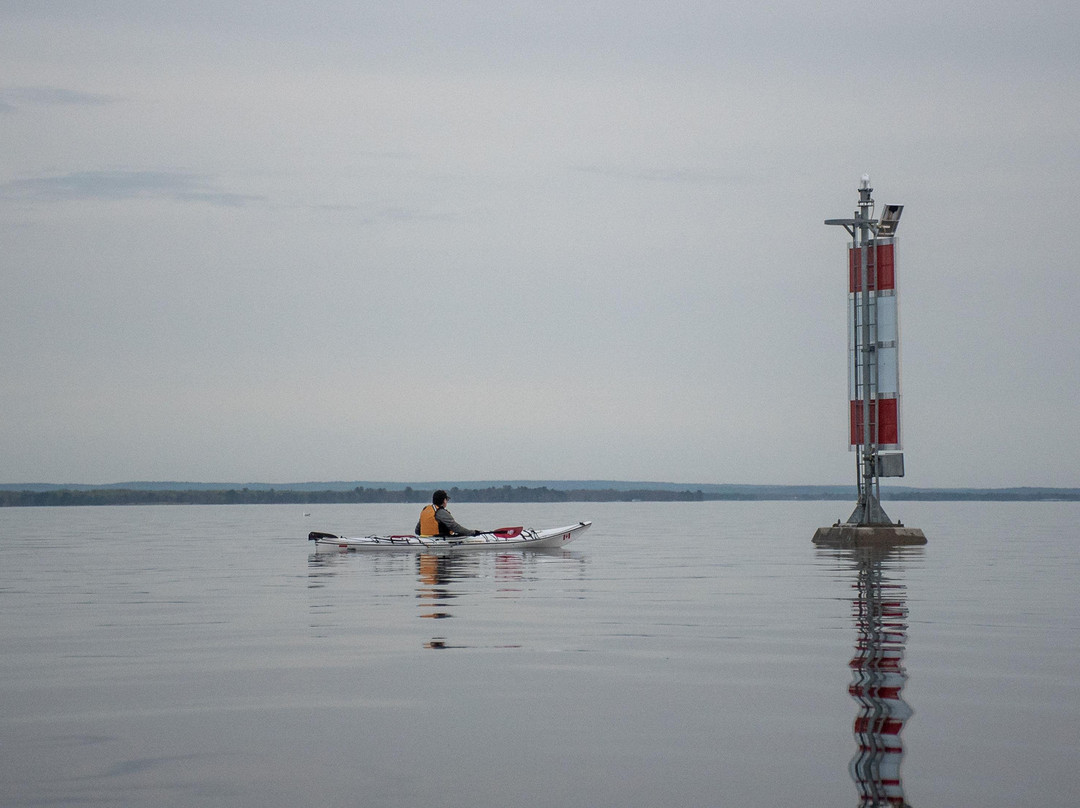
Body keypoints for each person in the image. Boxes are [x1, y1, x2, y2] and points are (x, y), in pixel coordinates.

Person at [415, 490, 483, 537]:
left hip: (425, 539)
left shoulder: (426, 510)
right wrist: (472, 532)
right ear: (444, 500)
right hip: (440, 540)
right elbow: (455, 527)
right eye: (446, 500)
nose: (447, 502)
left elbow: (417, 531)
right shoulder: (441, 512)